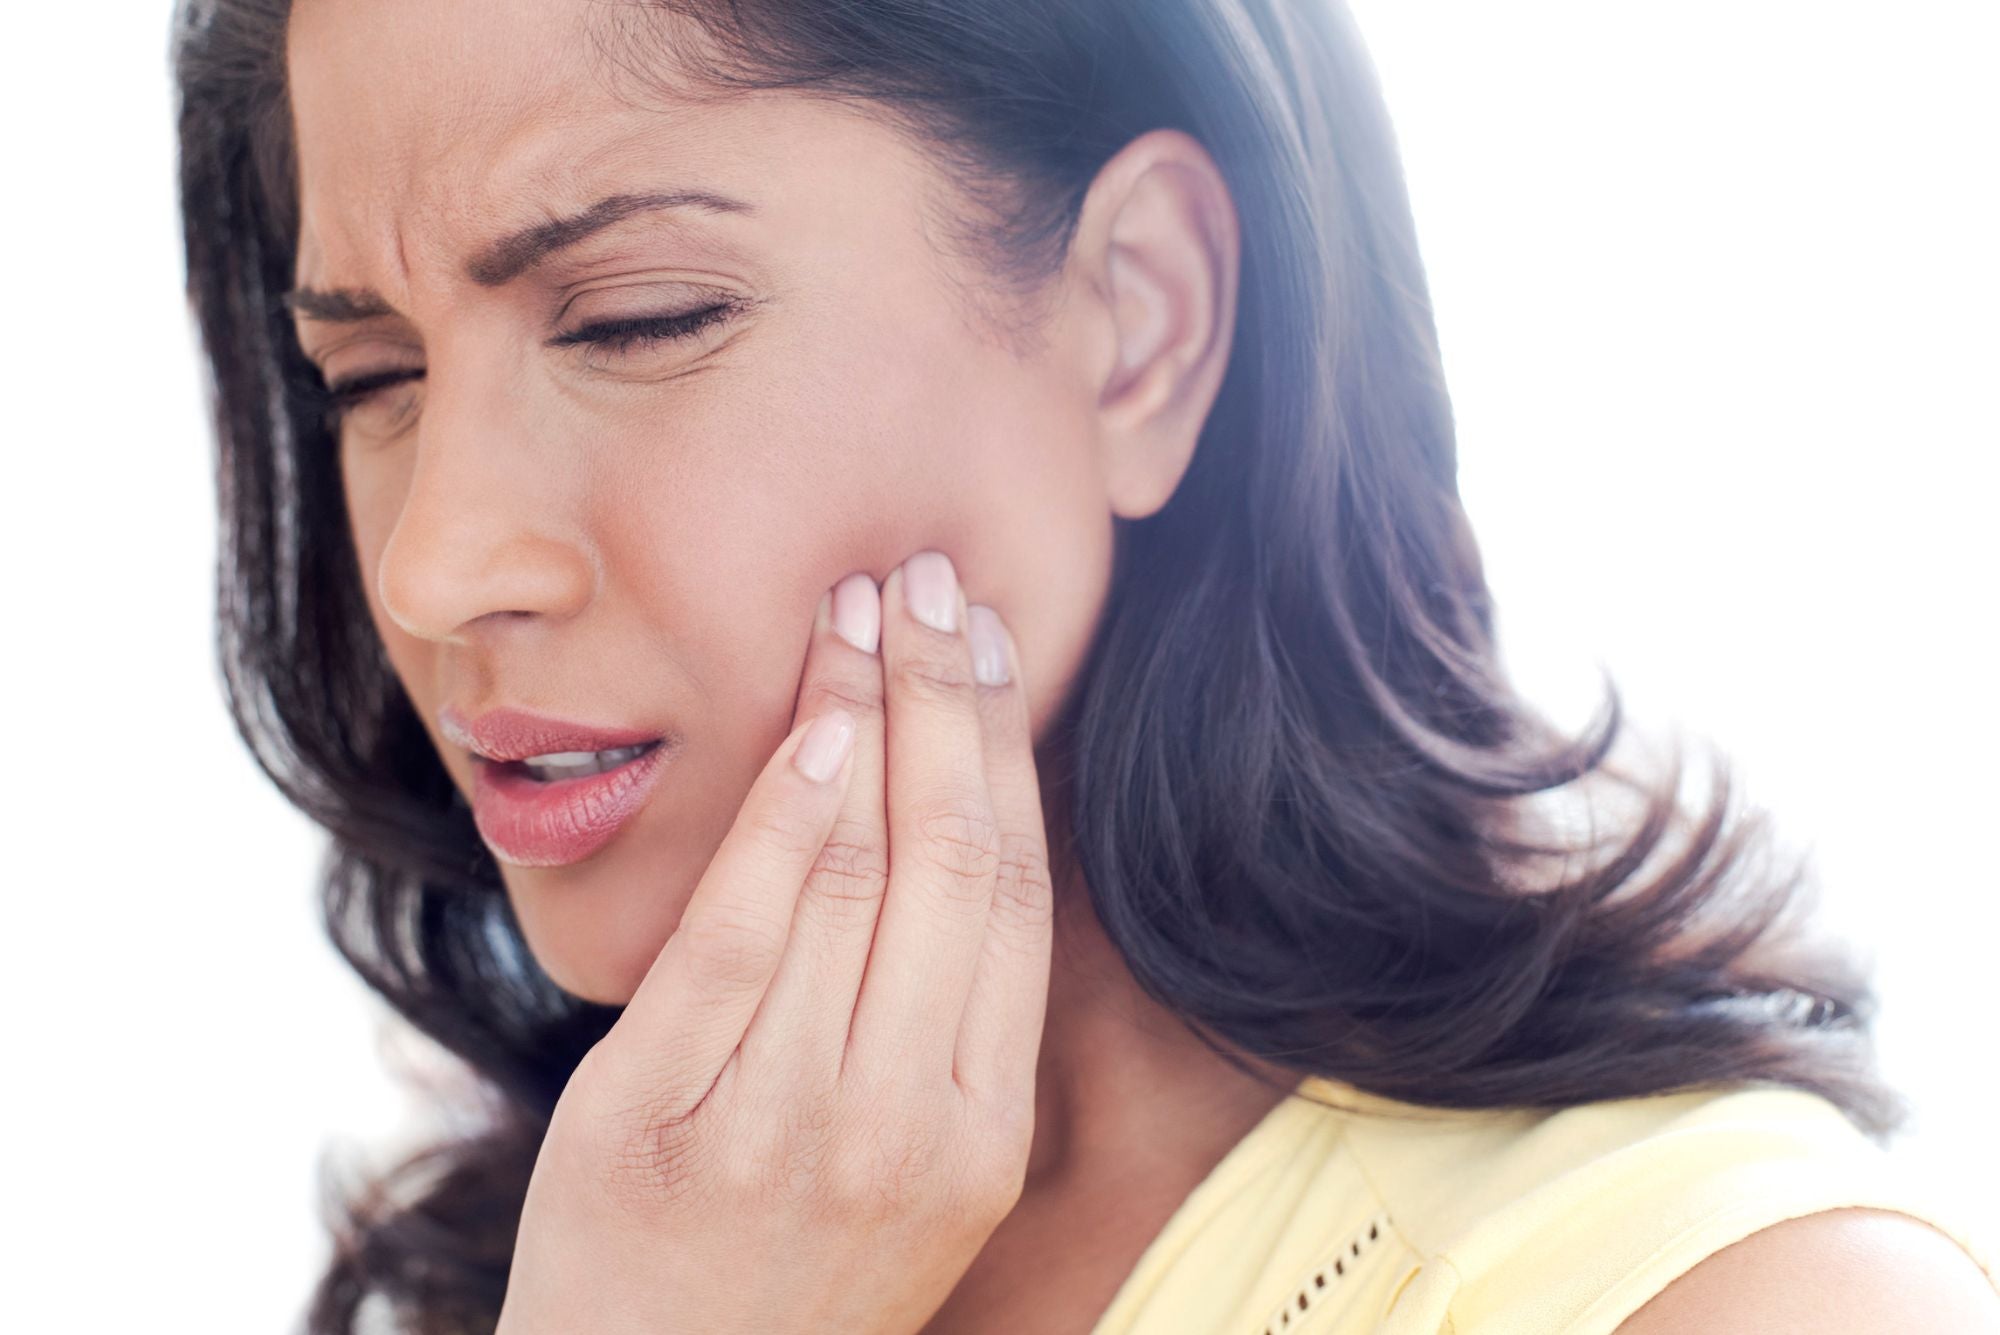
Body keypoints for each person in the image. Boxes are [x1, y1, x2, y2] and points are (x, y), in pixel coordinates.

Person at [171, 0, 1998, 1331]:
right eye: (375, 382)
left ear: (1143, 320)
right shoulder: (524, 1268)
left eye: (641, 320)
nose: (436, 565)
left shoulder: (1753, 1297)